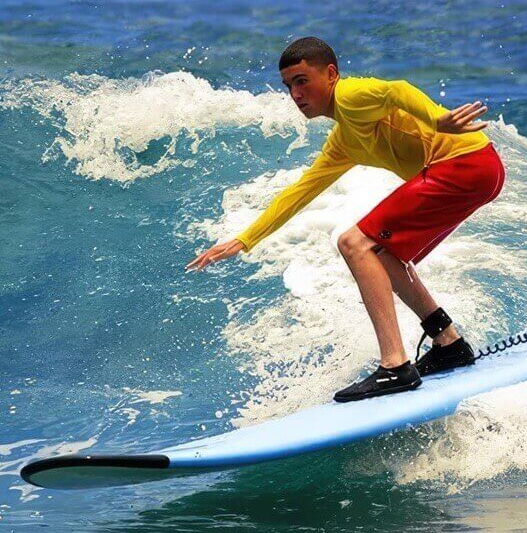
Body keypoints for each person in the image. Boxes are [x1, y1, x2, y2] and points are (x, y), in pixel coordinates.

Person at [187, 37, 506, 402]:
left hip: (463, 164)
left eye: (303, 80)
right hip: (479, 170)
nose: (295, 94)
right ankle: (448, 341)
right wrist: (244, 240)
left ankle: (394, 365)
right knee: (384, 255)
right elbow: (300, 192)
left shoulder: (350, 95)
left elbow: (396, 90)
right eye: (288, 85)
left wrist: (437, 119)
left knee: (353, 243)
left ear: (331, 74)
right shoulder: (345, 141)